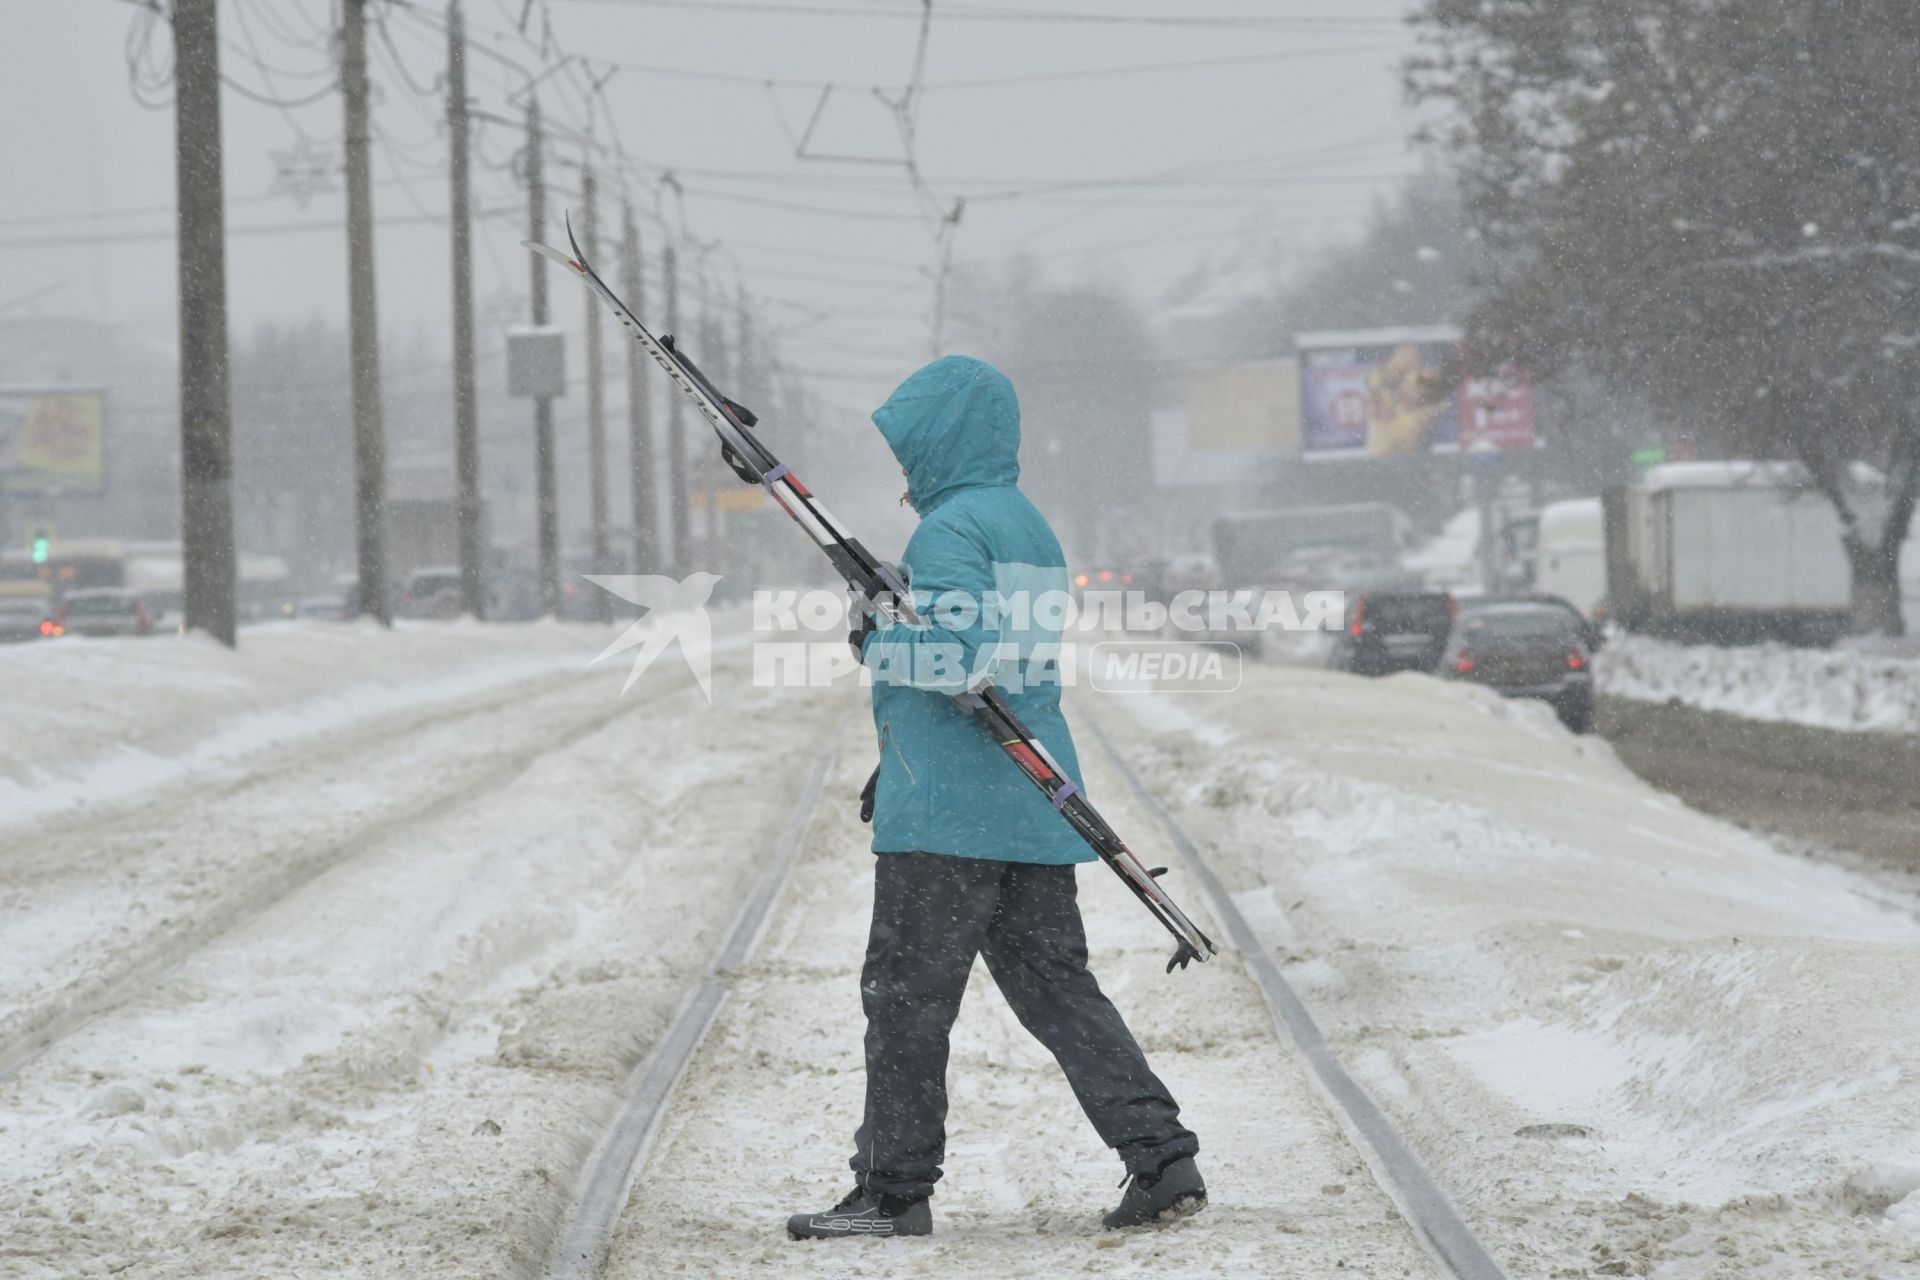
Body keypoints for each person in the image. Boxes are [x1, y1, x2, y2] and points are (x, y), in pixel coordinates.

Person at [786, 355, 1204, 1241]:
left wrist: (873, 640)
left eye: (912, 446)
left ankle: (892, 1190)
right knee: (1060, 993)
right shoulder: (1025, 524)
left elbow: (963, 664)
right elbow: (1010, 666)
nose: (905, 467)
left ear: (940, 441)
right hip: (1031, 807)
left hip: (947, 819)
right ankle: (1161, 1156)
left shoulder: (948, 531)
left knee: (905, 1002)